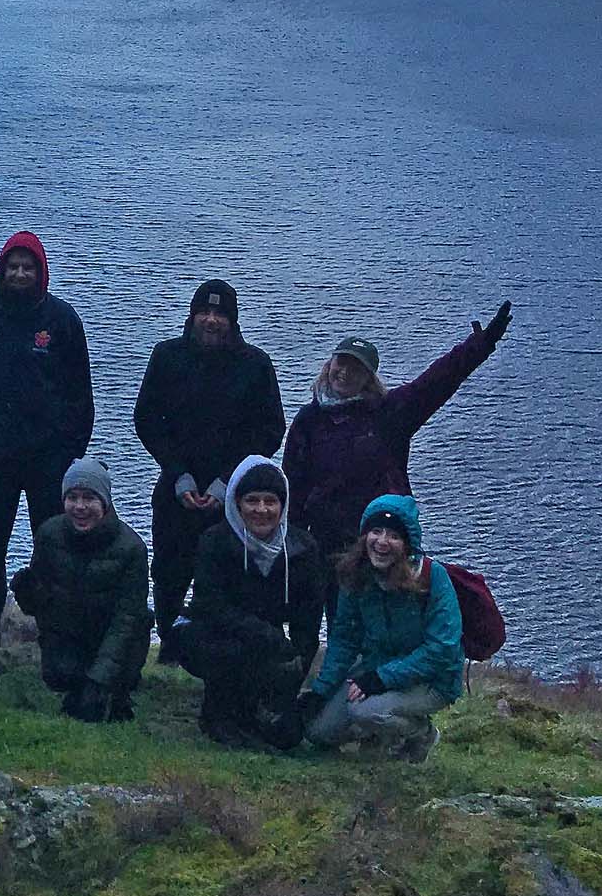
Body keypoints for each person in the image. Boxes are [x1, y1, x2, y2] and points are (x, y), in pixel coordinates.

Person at [282, 302, 514, 570]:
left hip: (384, 537)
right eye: (341, 363)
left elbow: (437, 381)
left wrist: (481, 344)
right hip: (328, 542)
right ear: (329, 364)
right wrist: (294, 543)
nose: (344, 373)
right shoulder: (308, 420)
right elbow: (293, 487)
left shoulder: (389, 413)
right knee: (339, 611)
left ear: (368, 378)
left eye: (355, 368)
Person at [133, 279, 286, 642]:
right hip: (176, 486)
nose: (211, 320)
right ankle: (169, 643)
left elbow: (270, 430)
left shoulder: (255, 365)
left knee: (224, 573)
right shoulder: (167, 357)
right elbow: (147, 420)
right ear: (192, 316)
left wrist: (228, 480)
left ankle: (216, 644)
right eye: (204, 312)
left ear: (233, 321)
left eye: (220, 314)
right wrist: (176, 472)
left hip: (232, 495)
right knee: (169, 570)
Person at [0, 232, 94, 642]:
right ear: (1, 271)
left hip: (46, 460)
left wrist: (71, 454)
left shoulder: (61, 320)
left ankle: (55, 633)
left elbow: (80, 395)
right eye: (12, 266)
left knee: (53, 547)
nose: (19, 274)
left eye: (28, 267)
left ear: (41, 272)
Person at [170, 456, 324, 750]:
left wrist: (294, 673)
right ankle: (217, 715)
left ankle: (255, 707)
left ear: (283, 505)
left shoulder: (303, 550)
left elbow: (308, 619)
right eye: (252, 500)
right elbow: (210, 606)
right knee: (232, 652)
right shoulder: (214, 541)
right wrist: (268, 637)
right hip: (208, 632)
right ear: (236, 503)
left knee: (287, 735)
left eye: (270, 501)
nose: (262, 510)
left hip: (264, 639)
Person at [301, 494, 463, 760]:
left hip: (432, 680)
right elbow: (344, 639)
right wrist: (321, 691)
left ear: (408, 545)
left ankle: (420, 733)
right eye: (376, 531)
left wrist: (381, 679)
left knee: (365, 711)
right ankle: (378, 733)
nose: (382, 542)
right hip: (378, 666)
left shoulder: (433, 578)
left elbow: (442, 650)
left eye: (394, 536)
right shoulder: (355, 575)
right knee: (318, 732)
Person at [7, 458, 150, 722]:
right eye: (72, 497)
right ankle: (81, 686)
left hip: (115, 636)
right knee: (59, 674)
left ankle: (113, 688)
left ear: (104, 503)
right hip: (70, 633)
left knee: (110, 682)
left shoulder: (132, 548)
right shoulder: (49, 534)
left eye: (89, 498)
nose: (80, 507)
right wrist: (28, 594)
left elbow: (127, 620)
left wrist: (100, 677)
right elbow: (44, 608)